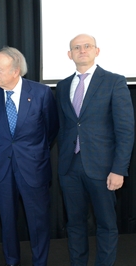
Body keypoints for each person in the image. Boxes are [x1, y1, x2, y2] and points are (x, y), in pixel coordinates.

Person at [56, 34, 134, 265]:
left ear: (97, 51)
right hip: (70, 168)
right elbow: (63, 127)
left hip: (103, 169)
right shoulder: (61, 86)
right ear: (69, 55)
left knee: (106, 225)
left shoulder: (114, 82)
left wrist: (119, 169)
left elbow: (125, 130)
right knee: (75, 224)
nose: (82, 50)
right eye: (76, 48)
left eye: (87, 46)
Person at [0, 47, 59, 266]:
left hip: (33, 168)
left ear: (15, 71)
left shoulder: (41, 93)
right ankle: (11, 261)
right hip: (2, 168)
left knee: (37, 222)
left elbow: (51, 129)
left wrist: (33, 152)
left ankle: (40, 262)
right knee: (7, 221)